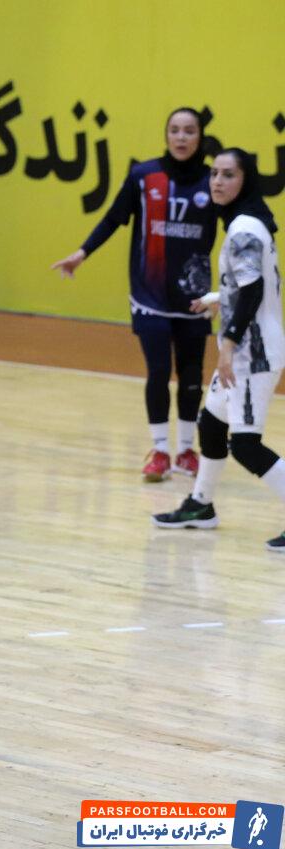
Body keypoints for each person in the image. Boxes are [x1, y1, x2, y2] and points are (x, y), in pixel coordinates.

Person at [52, 107, 216, 481]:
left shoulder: (212, 181)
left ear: (200, 137)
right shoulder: (144, 176)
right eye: (174, 130)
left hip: (193, 297)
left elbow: (239, 223)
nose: (181, 137)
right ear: (166, 135)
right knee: (158, 372)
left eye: (189, 131)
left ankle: (186, 451)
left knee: (192, 375)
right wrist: (82, 252)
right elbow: (114, 218)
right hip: (150, 295)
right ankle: (160, 452)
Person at [153, 149, 285, 551]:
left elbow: (253, 292)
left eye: (228, 175)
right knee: (211, 425)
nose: (217, 182)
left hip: (252, 355)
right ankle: (201, 504)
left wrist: (227, 345)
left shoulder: (243, 229)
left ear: (245, 181)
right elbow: (247, 286)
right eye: (214, 174)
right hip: (246, 350)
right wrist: (218, 297)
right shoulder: (248, 221)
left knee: (245, 445)